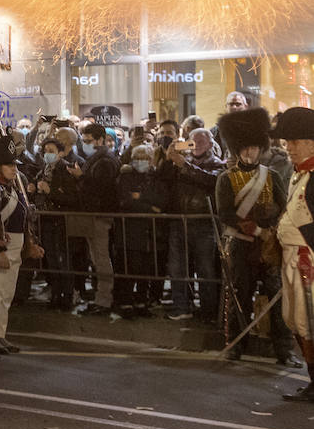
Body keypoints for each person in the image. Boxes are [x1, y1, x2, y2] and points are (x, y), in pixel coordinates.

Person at [215, 108, 297, 364]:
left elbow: (284, 208)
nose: (249, 152)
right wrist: (249, 226)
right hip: (241, 245)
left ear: (260, 148)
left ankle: (284, 351)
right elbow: (225, 213)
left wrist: (269, 226)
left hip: (268, 246)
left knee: (276, 299)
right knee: (239, 298)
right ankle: (235, 346)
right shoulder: (226, 179)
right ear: (237, 150)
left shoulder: (272, 176)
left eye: (253, 148)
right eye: (245, 148)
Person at [0, 134, 43, 354]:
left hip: (16, 244)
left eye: (14, 164)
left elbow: (22, 220)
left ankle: (0, 333)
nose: (13, 169)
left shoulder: (14, 189)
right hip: (2, 243)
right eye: (8, 165)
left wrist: (30, 244)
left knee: (6, 294)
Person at [159, 127, 223, 322]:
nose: (196, 146)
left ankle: (208, 311)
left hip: (203, 224)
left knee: (205, 269)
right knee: (177, 268)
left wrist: (184, 165)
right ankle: (181, 307)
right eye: (192, 142)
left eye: (201, 142)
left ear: (211, 144)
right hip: (180, 222)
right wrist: (168, 158)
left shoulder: (217, 164)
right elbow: (163, 178)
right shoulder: (181, 163)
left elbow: (210, 181)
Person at [273, 107, 314, 401]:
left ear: (311, 142)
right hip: (293, 260)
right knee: (298, 322)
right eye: (287, 143)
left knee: (310, 323)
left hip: (309, 262)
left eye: (294, 142)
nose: (288, 149)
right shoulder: (298, 175)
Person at [74, 123, 120, 318]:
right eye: (83, 141)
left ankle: (104, 299)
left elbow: (101, 189)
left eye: (88, 141)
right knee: (97, 258)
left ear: (100, 140)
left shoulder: (105, 160)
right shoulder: (97, 158)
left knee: (101, 258)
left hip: (100, 215)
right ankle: (101, 297)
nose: (85, 144)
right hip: (94, 215)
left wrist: (81, 177)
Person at [116, 145, 166, 316]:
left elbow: (162, 200)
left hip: (150, 233)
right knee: (130, 267)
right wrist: (151, 207)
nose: (141, 160)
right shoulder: (126, 177)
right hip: (130, 230)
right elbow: (126, 201)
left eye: (145, 157)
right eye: (138, 157)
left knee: (146, 268)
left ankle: (142, 301)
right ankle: (126, 302)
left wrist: (141, 197)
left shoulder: (156, 178)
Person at [33, 135, 78, 309]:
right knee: (51, 259)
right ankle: (55, 294)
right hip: (45, 219)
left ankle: (66, 296)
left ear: (60, 153)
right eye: (45, 151)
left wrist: (50, 191)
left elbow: (71, 198)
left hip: (60, 221)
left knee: (63, 259)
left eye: (51, 151)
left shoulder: (65, 170)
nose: (47, 154)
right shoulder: (44, 169)